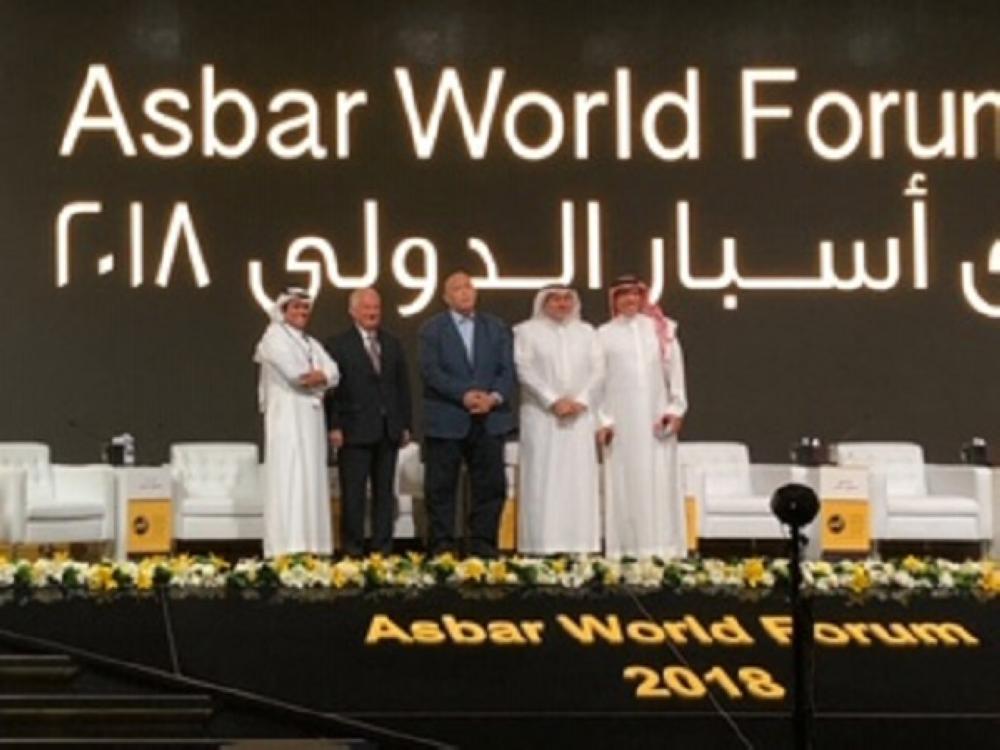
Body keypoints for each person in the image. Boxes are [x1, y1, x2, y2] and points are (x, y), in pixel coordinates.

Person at [418, 271, 516, 558]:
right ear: (446, 297)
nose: (465, 292)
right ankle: (442, 549)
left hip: (489, 420)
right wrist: (464, 394)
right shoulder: (431, 329)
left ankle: (483, 548)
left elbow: (507, 370)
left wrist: (493, 398)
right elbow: (430, 371)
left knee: (490, 487)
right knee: (441, 488)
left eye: (469, 287)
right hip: (447, 419)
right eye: (457, 289)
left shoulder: (496, 327)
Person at [596, 275, 687, 558]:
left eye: (635, 293)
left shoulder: (661, 329)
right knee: (624, 484)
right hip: (620, 425)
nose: (630, 299)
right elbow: (597, 383)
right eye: (623, 294)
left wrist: (675, 410)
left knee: (659, 482)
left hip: (656, 421)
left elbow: (675, 374)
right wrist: (603, 421)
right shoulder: (602, 335)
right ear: (614, 300)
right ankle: (625, 552)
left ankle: (663, 551)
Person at [513, 286, 603, 555]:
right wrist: (553, 400)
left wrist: (581, 400)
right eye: (555, 299)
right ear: (543, 302)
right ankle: (541, 547)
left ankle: (581, 547)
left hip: (580, 418)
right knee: (543, 481)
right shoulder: (526, 332)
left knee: (578, 482)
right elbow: (524, 370)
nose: (562, 304)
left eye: (567, 299)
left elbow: (598, 371)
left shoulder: (587, 332)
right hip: (542, 417)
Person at [324, 288, 412, 557]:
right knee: (353, 495)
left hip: (388, 431)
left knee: (384, 493)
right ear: (353, 311)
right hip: (353, 431)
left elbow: (402, 387)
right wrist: (334, 425)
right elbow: (332, 392)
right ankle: (352, 550)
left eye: (376, 307)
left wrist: (405, 424)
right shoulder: (338, 345)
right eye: (366, 307)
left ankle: (382, 550)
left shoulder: (392, 343)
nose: (372, 312)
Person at [254, 287, 340, 558]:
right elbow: (297, 376)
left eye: (305, 308)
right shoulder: (273, 338)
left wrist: (321, 377)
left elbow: (335, 372)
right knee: (289, 477)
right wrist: (319, 377)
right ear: (284, 310)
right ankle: (286, 547)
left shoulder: (311, 343)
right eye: (296, 307)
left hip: (311, 420)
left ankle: (314, 546)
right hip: (287, 421)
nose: (302, 312)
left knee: (311, 478)